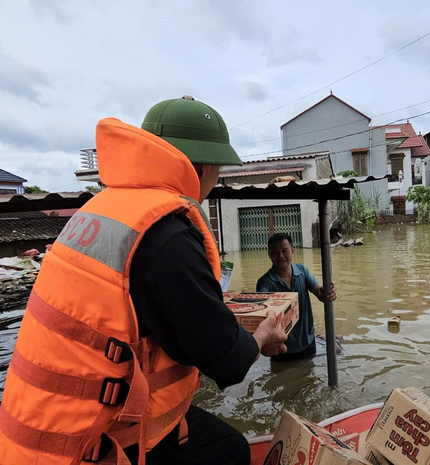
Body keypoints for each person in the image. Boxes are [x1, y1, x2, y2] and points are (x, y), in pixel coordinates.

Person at [0, 96, 287, 465]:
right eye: (218, 168)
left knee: (221, 444)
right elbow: (227, 361)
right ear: (201, 167)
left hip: (35, 426)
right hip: (83, 446)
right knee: (230, 453)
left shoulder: (103, 209)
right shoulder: (166, 235)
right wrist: (262, 337)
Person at [256, 233, 336, 361]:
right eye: (275, 252)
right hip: (281, 349)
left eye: (284, 251)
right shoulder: (265, 282)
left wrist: (327, 291)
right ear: (269, 255)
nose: (281, 256)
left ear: (292, 251)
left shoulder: (302, 271)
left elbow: (318, 292)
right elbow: (262, 307)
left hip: (308, 343)